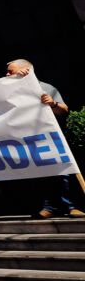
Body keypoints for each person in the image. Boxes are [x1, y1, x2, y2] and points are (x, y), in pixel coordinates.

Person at [8, 58, 84, 218]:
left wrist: (53, 104)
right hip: (29, 139)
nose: (7, 74)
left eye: (11, 71)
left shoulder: (45, 87)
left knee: (62, 172)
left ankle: (70, 206)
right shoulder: (10, 92)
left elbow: (64, 110)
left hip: (50, 138)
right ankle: (49, 207)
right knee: (43, 174)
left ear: (26, 70)